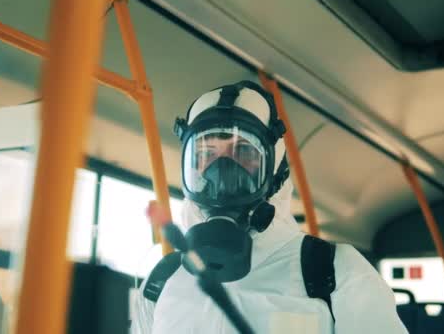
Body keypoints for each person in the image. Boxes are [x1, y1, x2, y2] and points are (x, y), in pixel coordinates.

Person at [131, 80, 407, 333]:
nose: (223, 171)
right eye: (207, 154)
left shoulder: (336, 272)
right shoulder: (162, 280)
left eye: (244, 152)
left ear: (275, 171)